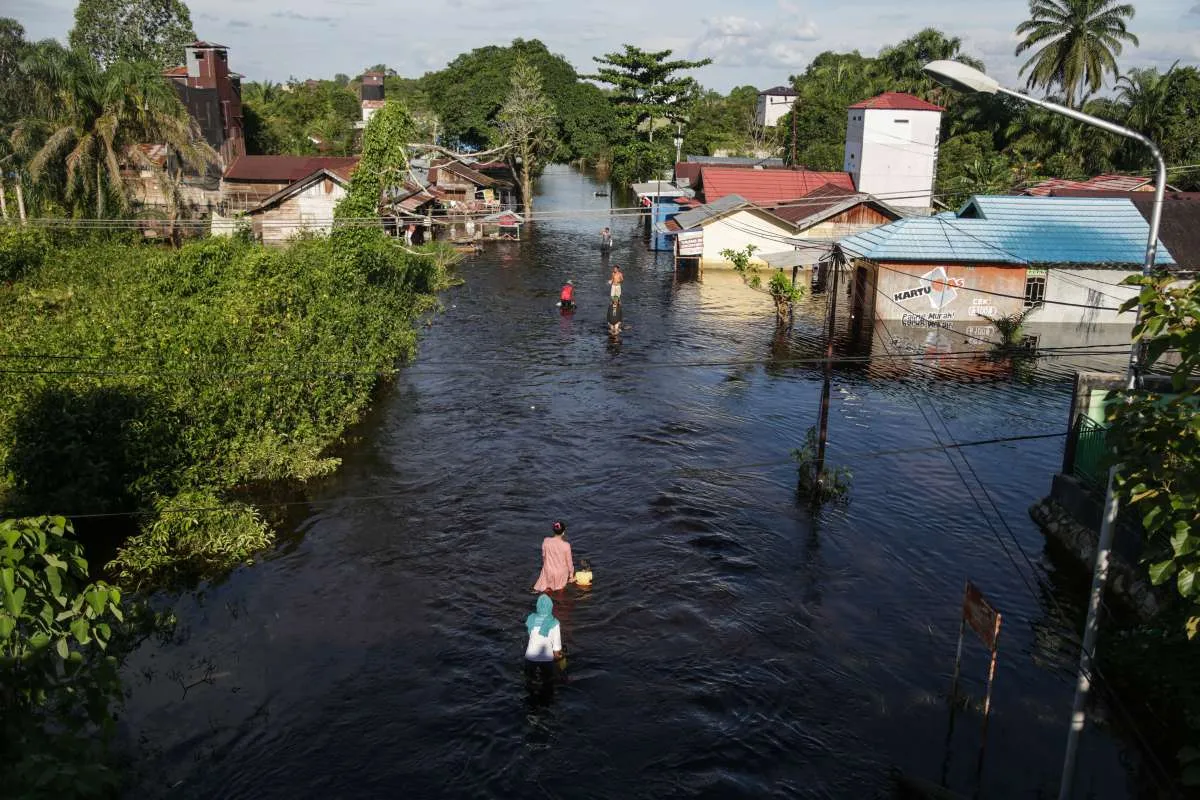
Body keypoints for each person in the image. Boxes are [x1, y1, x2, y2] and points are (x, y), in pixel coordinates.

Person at [524, 594, 563, 699]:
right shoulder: (554, 623)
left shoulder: (531, 619)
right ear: (551, 607)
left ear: (538, 606)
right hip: (547, 659)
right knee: (548, 683)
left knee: (529, 683)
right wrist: (561, 665)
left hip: (530, 657)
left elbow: (531, 637)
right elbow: (556, 649)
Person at [533, 520, 574, 592]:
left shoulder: (546, 541)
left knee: (546, 589)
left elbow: (544, 556)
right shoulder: (566, 545)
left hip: (548, 570)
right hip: (560, 573)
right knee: (560, 591)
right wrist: (571, 575)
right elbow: (569, 562)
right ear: (563, 532)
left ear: (554, 531)